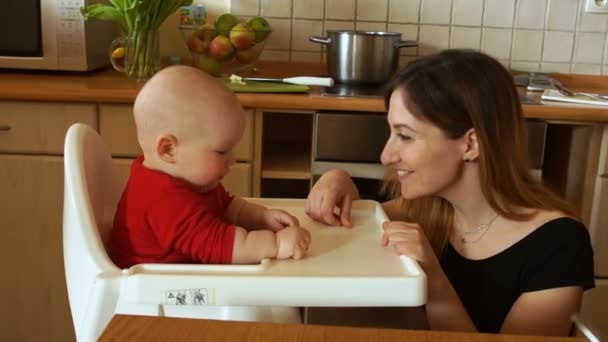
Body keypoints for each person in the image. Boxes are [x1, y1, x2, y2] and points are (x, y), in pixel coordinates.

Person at [305, 49, 594, 336]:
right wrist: (337, 178)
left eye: (405, 136)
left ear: (471, 144)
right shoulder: (428, 206)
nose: (386, 156)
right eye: (391, 133)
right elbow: (361, 212)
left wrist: (433, 280)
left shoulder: (558, 247)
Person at [110, 65, 311, 268]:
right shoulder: (162, 199)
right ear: (169, 149)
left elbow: (225, 206)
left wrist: (261, 217)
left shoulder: (188, 179)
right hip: (156, 292)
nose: (232, 160)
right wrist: (276, 245)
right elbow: (219, 245)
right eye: (222, 151)